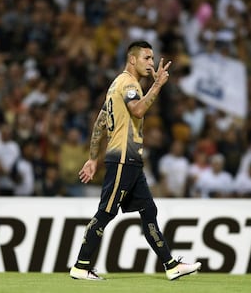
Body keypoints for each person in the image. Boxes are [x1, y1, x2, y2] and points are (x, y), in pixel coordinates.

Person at [69, 41, 201, 281]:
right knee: (106, 212)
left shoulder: (115, 85)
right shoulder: (129, 84)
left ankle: (171, 265)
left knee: (148, 210)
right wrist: (158, 85)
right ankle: (80, 265)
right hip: (122, 158)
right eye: (147, 58)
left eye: (152, 58)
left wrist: (92, 158)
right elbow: (138, 110)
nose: (151, 63)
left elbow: (100, 123)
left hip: (130, 159)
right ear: (132, 59)